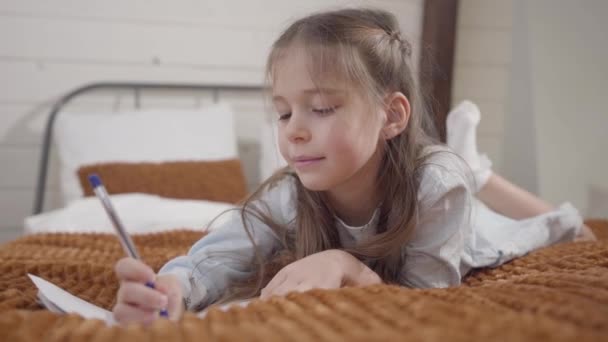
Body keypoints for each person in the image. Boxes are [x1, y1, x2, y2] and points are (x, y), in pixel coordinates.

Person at [111, 8, 591, 325]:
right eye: (283, 112)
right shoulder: (289, 193)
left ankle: (477, 170)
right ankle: (474, 166)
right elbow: (212, 258)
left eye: (320, 109)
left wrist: (346, 264)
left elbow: (431, 301)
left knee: (572, 234)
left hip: (467, 229)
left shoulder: (434, 187)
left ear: (392, 115)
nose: (294, 131)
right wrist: (170, 287)